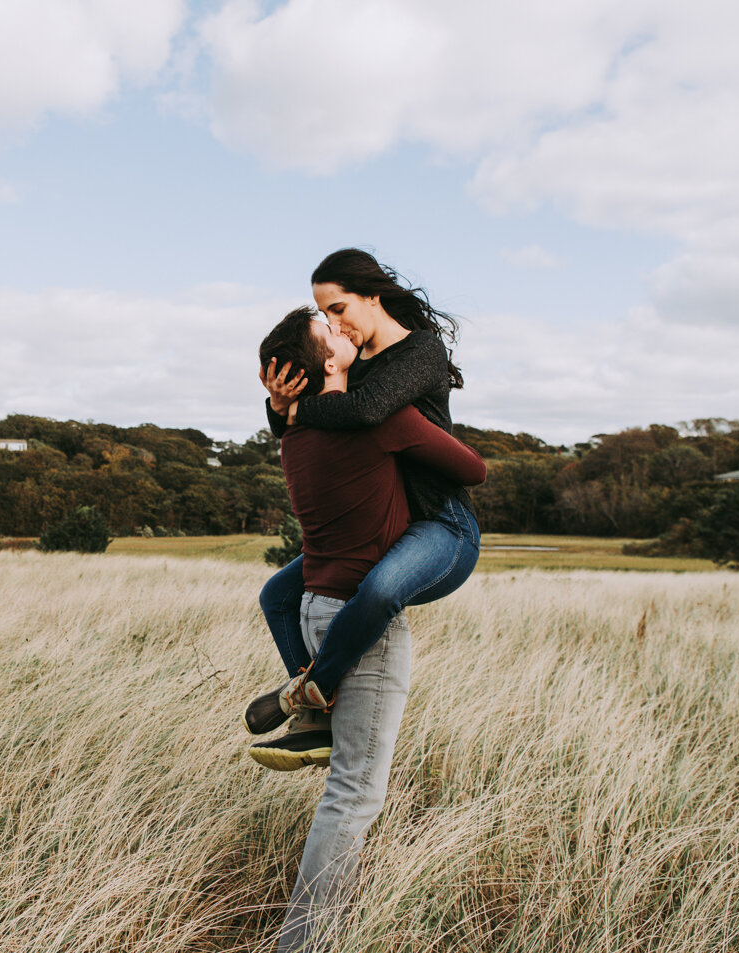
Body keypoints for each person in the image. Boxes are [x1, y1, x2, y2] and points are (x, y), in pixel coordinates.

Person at [249, 306, 486, 951]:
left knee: (344, 785)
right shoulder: (385, 424)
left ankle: (311, 706)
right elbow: (473, 470)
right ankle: (304, 942)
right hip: (361, 619)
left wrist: (282, 404)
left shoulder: (293, 435)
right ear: (327, 364)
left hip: (315, 606)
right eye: (331, 331)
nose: (344, 330)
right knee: (353, 794)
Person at [246, 248, 481, 760]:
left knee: (378, 591)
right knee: (277, 597)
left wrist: (292, 406)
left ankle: (311, 691)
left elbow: (365, 411)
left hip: (441, 522)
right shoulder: (351, 361)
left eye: (338, 308)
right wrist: (280, 408)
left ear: (372, 297)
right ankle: (317, 722)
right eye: (325, 314)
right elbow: (314, 439)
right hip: (382, 527)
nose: (335, 322)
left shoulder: (421, 351)